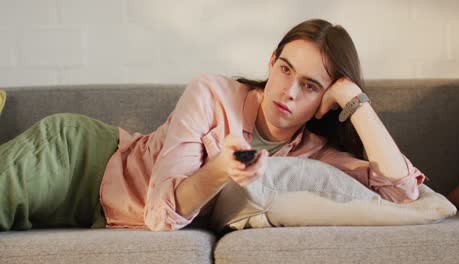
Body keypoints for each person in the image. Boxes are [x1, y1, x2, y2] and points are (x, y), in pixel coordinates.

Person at [0, 18, 426, 232]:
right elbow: (160, 214)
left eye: (310, 86)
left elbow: (404, 194)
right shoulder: (211, 93)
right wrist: (220, 169)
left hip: (94, 213)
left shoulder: (312, 154)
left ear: (323, 105)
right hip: (79, 159)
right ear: (270, 63)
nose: (288, 91)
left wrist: (355, 101)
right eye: (284, 69)